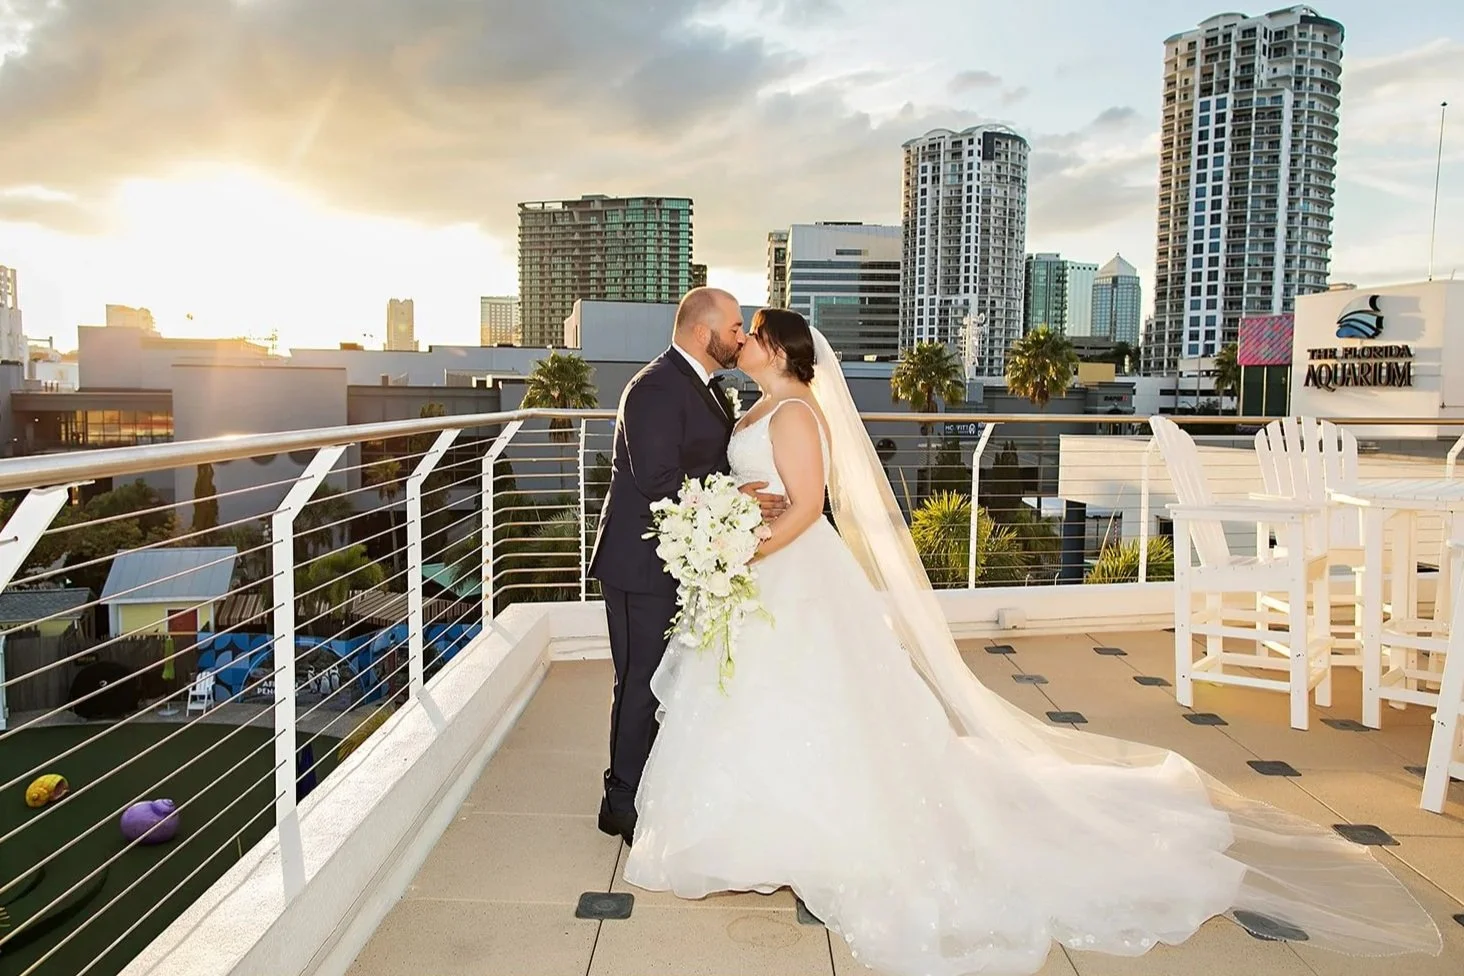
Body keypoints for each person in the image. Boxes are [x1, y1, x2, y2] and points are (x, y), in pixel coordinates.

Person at [623, 309, 1442, 976]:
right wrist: (733, 516)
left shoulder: (797, 410)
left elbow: (806, 507)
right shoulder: (756, 407)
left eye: (753, 331)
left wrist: (748, 551)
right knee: (751, 702)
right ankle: (751, 833)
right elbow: (760, 488)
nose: (743, 339)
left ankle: (806, 830)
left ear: (779, 349)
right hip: (763, 576)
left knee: (813, 702)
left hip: (790, 573)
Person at [587, 287, 784, 847]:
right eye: (736, 326)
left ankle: (647, 787)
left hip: (682, 561)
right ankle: (619, 800)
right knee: (640, 684)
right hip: (640, 566)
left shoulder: (703, 387)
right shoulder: (653, 388)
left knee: (665, 682)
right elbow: (656, 482)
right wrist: (738, 500)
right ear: (704, 332)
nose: (742, 336)